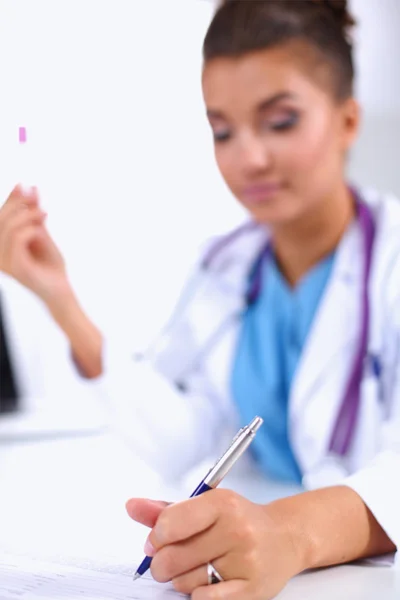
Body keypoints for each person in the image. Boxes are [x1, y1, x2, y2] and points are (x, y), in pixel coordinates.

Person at [0, 0, 399, 597]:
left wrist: (288, 535)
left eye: (281, 120)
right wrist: (58, 300)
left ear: (346, 121)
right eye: (223, 130)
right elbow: (185, 439)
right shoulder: (224, 268)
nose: (249, 158)